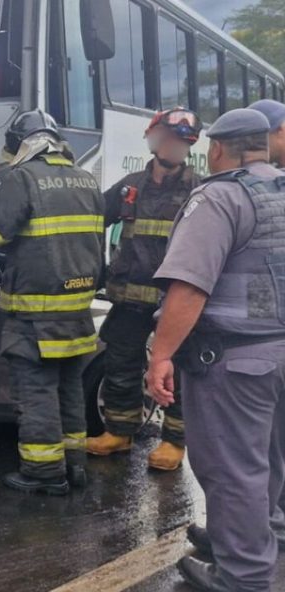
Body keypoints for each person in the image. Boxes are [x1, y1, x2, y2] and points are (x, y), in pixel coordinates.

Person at [147, 108, 285, 592]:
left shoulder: (220, 197)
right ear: (263, 146)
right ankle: (258, 545)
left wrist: (162, 354)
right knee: (268, 462)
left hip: (235, 362)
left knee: (234, 472)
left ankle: (244, 577)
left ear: (219, 149)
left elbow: (189, 286)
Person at [0, 109, 105, 495]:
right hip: (77, 312)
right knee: (69, 390)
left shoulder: (22, 178)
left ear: (19, 145)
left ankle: (44, 473)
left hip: (34, 315)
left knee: (36, 394)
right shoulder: (87, 180)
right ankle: (74, 465)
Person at [87, 108, 202, 471]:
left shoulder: (200, 191)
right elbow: (89, 220)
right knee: (120, 363)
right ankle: (119, 432)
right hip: (128, 299)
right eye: (169, 139)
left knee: (178, 371)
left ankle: (174, 441)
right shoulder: (129, 187)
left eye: (183, 142)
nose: (175, 147)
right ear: (153, 139)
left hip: (175, 302)